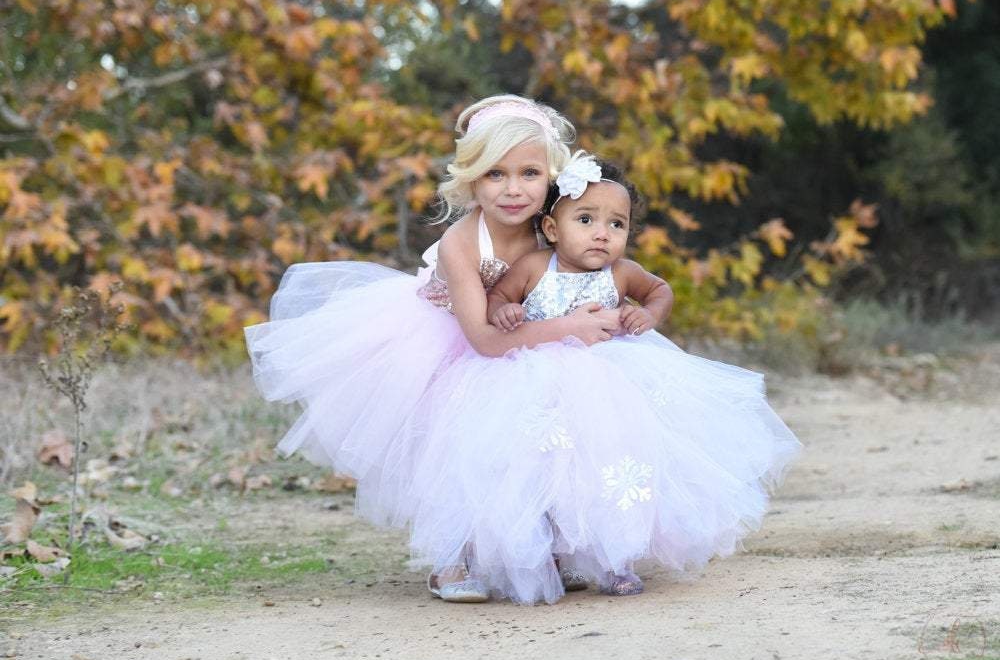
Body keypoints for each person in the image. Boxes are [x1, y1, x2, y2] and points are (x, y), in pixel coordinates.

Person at [243, 96, 621, 603]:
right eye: (494, 174)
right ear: (470, 180)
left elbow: (591, 273)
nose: (513, 189)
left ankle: (547, 550)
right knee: (460, 445)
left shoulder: (553, 227)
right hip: (456, 345)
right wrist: (565, 327)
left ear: (551, 177)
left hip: (535, 340)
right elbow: (484, 340)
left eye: (529, 173)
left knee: (552, 437)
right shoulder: (461, 243)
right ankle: (451, 559)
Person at [397, 152, 804, 604]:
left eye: (616, 225)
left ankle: (606, 557)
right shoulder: (535, 263)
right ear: (552, 229)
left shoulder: (621, 271)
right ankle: (503, 555)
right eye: (587, 220)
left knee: (604, 461)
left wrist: (647, 315)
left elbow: (659, 289)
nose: (601, 234)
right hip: (533, 372)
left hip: (607, 379)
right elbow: (497, 301)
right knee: (532, 463)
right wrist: (506, 309)